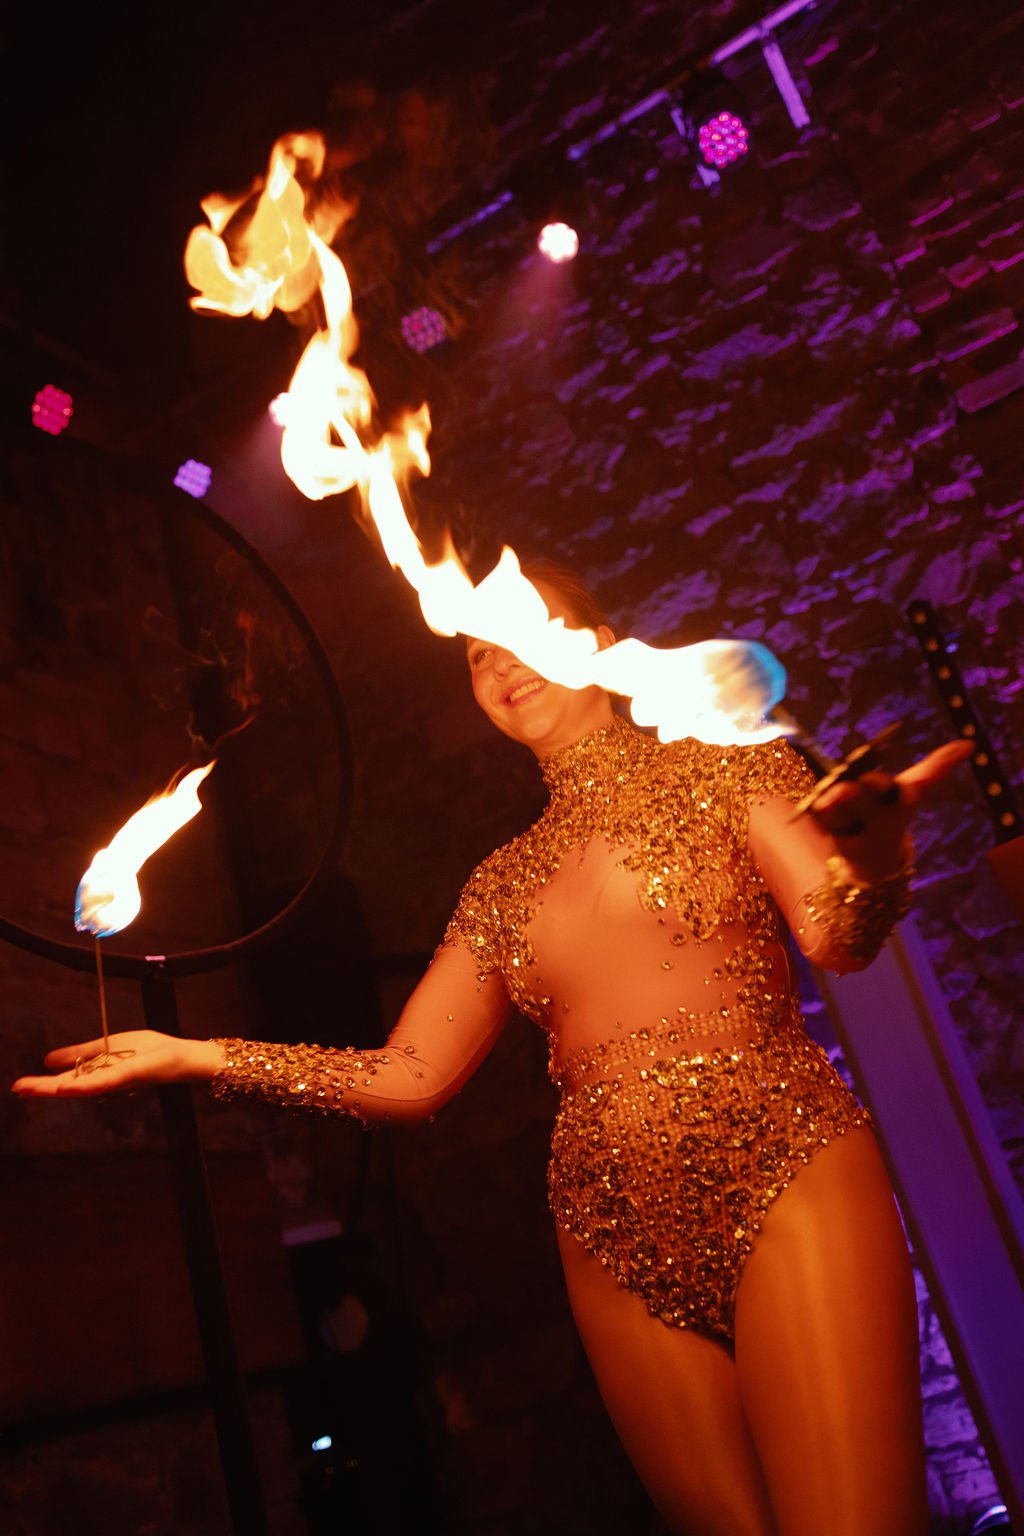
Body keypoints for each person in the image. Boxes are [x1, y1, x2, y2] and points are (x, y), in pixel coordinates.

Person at [13, 564, 972, 1536]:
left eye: (523, 630)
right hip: (605, 1229)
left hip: (784, 1164)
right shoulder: (502, 882)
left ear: (595, 640)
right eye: (477, 653)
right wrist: (197, 1056)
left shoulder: (729, 770)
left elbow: (836, 937)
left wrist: (879, 858)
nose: (502, 663)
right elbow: (409, 1075)